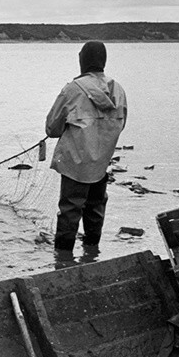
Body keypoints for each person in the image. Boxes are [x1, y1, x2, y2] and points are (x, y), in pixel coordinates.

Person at [45, 41, 127, 253]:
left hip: (75, 163)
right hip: (101, 163)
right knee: (96, 209)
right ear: (103, 61)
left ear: (83, 61)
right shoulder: (118, 89)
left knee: (69, 211)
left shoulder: (73, 89)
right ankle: (92, 254)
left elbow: (52, 128)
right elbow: (121, 124)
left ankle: (63, 260)